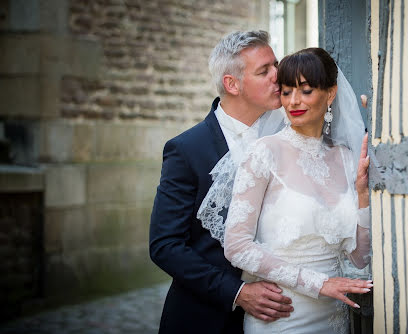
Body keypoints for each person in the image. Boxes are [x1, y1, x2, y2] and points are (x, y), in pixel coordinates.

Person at [199, 47, 373, 334]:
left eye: (305, 91)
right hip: (282, 315)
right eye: (287, 91)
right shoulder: (265, 152)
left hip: (334, 316)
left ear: (330, 94)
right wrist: (319, 284)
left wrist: (363, 197)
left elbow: (358, 257)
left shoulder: (345, 157)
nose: (294, 101)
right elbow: (237, 246)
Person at [149, 30, 293, 334]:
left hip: (287, 314)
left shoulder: (292, 132)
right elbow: (165, 245)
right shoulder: (186, 150)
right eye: (264, 70)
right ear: (232, 84)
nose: (277, 76)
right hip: (207, 318)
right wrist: (237, 292)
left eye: (276, 64)